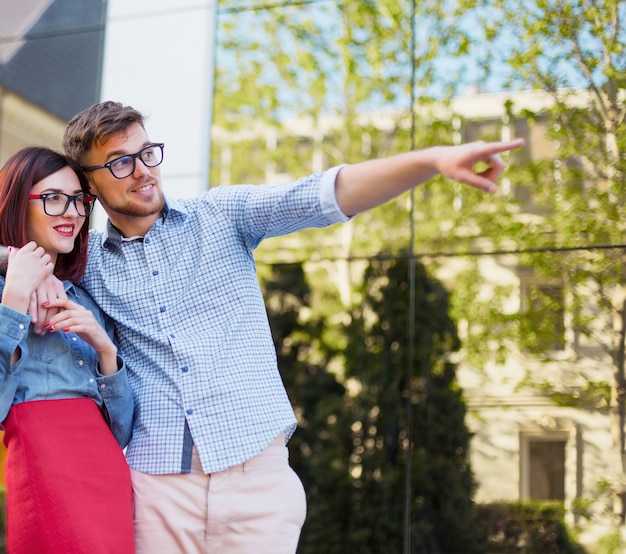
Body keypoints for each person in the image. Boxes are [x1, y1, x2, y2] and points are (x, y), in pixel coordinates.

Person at [16, 101, 524, 553]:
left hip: (257, 482)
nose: (144, 172)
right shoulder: (88, 269)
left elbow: (328, 193)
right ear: (89, 184)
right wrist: (24, 268)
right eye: (121, 163)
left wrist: (432, 161)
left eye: (148, 153)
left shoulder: (222, 215)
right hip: (156, 489)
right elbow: (18, 236)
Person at [0, 147, 135, 554]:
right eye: (54, 198)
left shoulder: (86, 298)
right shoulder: (7, 290)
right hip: (45, 465)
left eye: (78, 200)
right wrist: (17, 288)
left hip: (107, 473)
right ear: (17, 203)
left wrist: (106, 351)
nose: (72, 212)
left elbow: (122, 430)